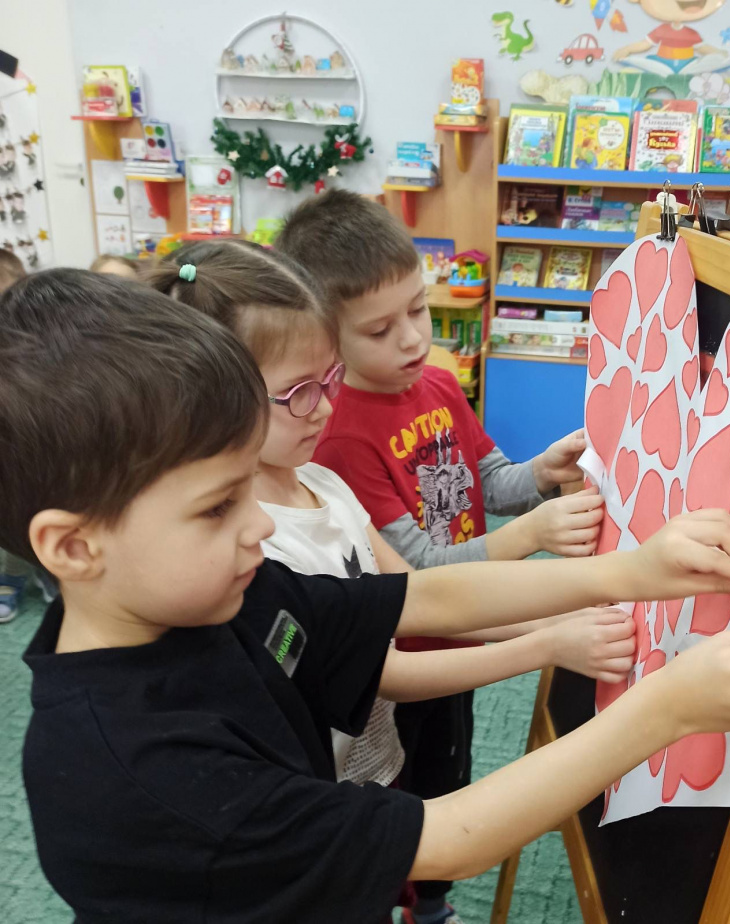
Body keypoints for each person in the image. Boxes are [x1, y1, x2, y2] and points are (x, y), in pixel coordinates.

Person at [1, 268, 730, 924]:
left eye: (248, 489)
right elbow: (447, 837)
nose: (258, 526)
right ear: (72, 547)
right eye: (217, 507)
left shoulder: (213, 592)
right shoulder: (136, 770)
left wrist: (629, 573)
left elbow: (419, 597)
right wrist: (666, 710)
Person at [146, 241, 635, 807]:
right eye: (301, 393)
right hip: (328, 788)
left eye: (330, 378)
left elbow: (422, 592)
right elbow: (386, 668)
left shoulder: (322, 483)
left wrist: (559, 614)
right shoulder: (254, 544)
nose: (326, 408)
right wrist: (548, 642)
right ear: (217, 401)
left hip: (377, 750)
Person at [277, 189, 607, 922]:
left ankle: (431, 906)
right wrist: (530, 537)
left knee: (451, 773)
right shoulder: (338, 436)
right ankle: (413, 902)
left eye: (418, 310)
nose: (411, 339)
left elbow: (489, 479)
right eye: (379, 329)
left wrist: (540, 472)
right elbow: (416, 570)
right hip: (401, 664)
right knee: (401, 795)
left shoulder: (436, 384)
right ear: (325, 341)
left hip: (465, 637)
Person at [0, 248, 55, 621]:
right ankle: (13, 578)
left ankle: (47, 571)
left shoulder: (39, 333)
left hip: (41, 447)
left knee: (45, 511)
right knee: (13, 520)